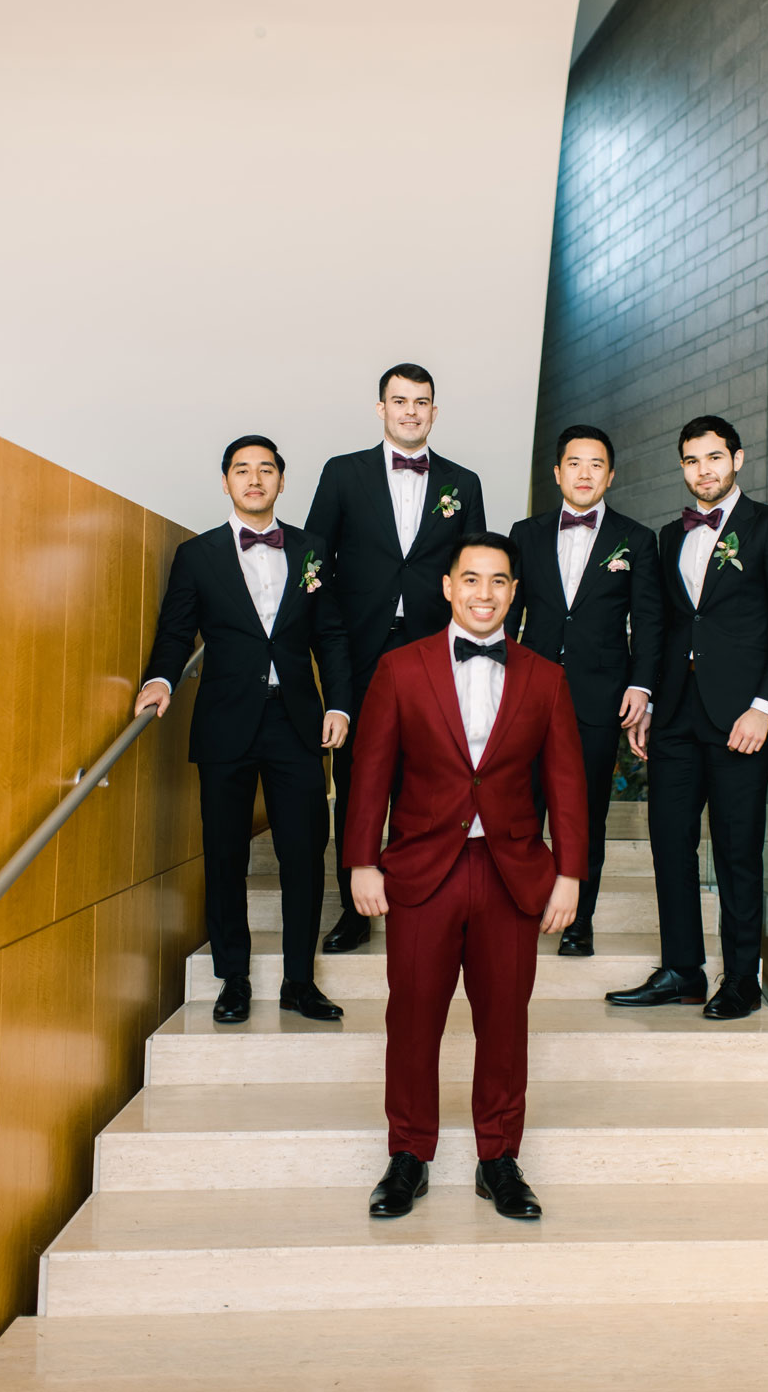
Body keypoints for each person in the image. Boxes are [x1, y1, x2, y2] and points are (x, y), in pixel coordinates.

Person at [344, 533, 588, 1221]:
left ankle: (499, 1158)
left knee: (505, 1021)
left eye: (499, 581)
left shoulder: (546, 677)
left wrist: (570, 874)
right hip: (423, 870)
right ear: (448, 587)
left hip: (512, 873)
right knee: (412, 1018)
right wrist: (362, 860)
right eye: (472, 579)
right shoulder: (401, 668)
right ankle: (408, 1155)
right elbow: (371, 770)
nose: (485, 593)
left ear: (514, 592)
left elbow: (567, 784)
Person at [136, 435, 351, 1025]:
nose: (254, 479)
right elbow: (176, 631)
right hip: (225, 721)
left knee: (303, 853)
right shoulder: (196, 555)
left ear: (281, 480)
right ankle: (233, 978)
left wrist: (340, 705)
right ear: (226, 481)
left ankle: (299, 981)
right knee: (225, 854)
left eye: (265, 470)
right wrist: (160, 679)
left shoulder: (311, 550)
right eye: (241, 470)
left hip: (296, 722)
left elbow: (331, 635)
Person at [607, 416, 768, 1020]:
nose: (704, 470)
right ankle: (682, 970)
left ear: (737, 459)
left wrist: (764, 708)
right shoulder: (669, 536)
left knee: (737, 850)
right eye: (693, 460)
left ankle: (742, 979)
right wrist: (648, 700)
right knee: (670, 844)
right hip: (675, 714)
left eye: (715, 457)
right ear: (683, 467)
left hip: (741, 719)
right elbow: (666, 625)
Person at [306, 362, 485, 953]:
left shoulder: (464, 482)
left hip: (436, 650)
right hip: (359, 650)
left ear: (435, 411)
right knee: (358, 778)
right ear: (381, 408)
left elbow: (474, 570)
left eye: (421, 402)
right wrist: (327, 633)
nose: (411, 411)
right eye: (400, 400)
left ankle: (420, 900)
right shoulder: (342, 473)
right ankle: (353, 909)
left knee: (432, 778)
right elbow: (314, 560)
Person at [506, 424, 662, 955]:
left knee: (585, 813)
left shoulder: (636, 539)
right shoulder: (524, 533)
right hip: (528, 695)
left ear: (610, 475)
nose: (584, 473)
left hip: (599, 696)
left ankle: (579, 922)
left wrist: (641, 686)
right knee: (522, 809)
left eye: (596, 464)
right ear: (557, 473)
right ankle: (523, 910)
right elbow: (509, 615)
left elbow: (649, 621)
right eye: (574, 463)